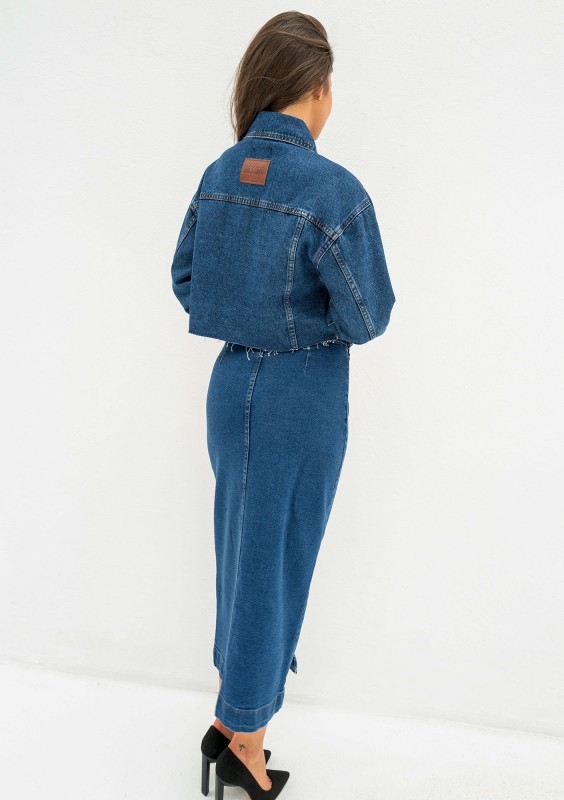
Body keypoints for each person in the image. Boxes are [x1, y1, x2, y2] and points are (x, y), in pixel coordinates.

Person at [170, 12, 396, 799]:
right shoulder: (333, 190)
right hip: (300, 397)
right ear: (319, 88)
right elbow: (369, 314)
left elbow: (186, 280)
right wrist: (301, 323)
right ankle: (246, 742)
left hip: (230, 386)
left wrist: (253, 316)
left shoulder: (220, 172)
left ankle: (227, 720)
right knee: (275, 566)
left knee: (242, 556)